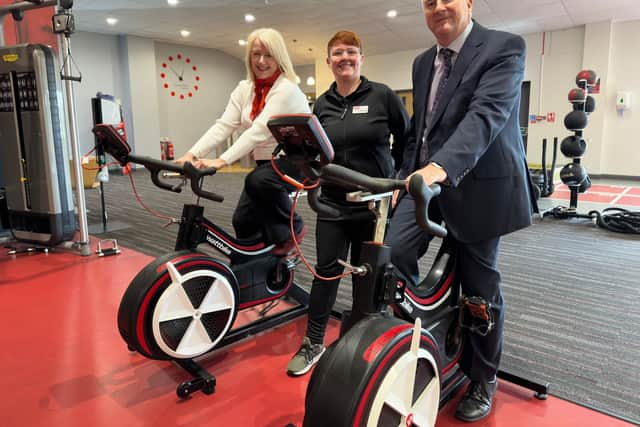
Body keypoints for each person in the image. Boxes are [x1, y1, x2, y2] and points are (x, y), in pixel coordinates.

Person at [385, 0, 538, 422]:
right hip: (424, 184)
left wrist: (441, 169)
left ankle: (482, 375)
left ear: (469, 3)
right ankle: (423, 337)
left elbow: (484, 117)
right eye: (428, 2)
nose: (438, 7)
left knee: (479, 290)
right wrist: (405, 175)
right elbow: (421, 129)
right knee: (391, 256)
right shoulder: (422, 62)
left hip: (480, 188)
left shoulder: (504, 47)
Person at [286, 30, 409, 376]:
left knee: (365, 277)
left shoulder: (382, 96)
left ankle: (358, 344)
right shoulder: (322, 104)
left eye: (351, 52)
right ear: (328, 61)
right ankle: (313, 342)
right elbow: (316, 148)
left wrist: (397, 178)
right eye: (337, 53)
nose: (345, 58)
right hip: (333, 203)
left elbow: (407, 139)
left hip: (374, 206)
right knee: (326, 273)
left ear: (361, 58)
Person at [176, 28, 309, 253]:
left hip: (298, 159)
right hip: (266, 164)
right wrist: (193, 154)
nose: (261, 61)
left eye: (268, 55)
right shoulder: (245, 89)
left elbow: (258, 130)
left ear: (280, 57)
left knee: (258, 182)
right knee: (243, 220)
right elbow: (224, 125)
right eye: (256, 54)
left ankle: (293, 228)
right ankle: (259, 265)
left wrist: (221, 160)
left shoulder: (286, 90)